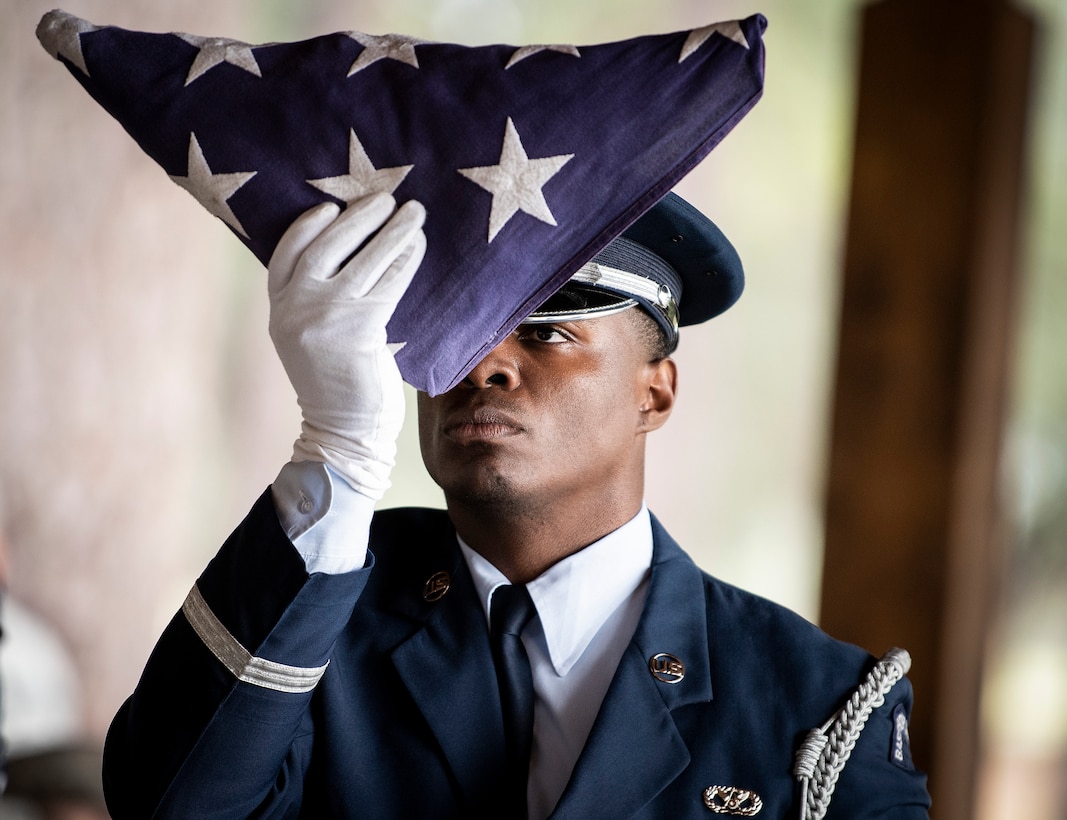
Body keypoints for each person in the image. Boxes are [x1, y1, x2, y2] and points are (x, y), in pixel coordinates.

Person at [102, 191, 931, 818]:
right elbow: (171, 803)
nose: (482, 366)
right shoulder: (320, 608)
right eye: (452, 334)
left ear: (655, 392)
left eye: (545, 332)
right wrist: (336, 448)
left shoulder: (814, 700)